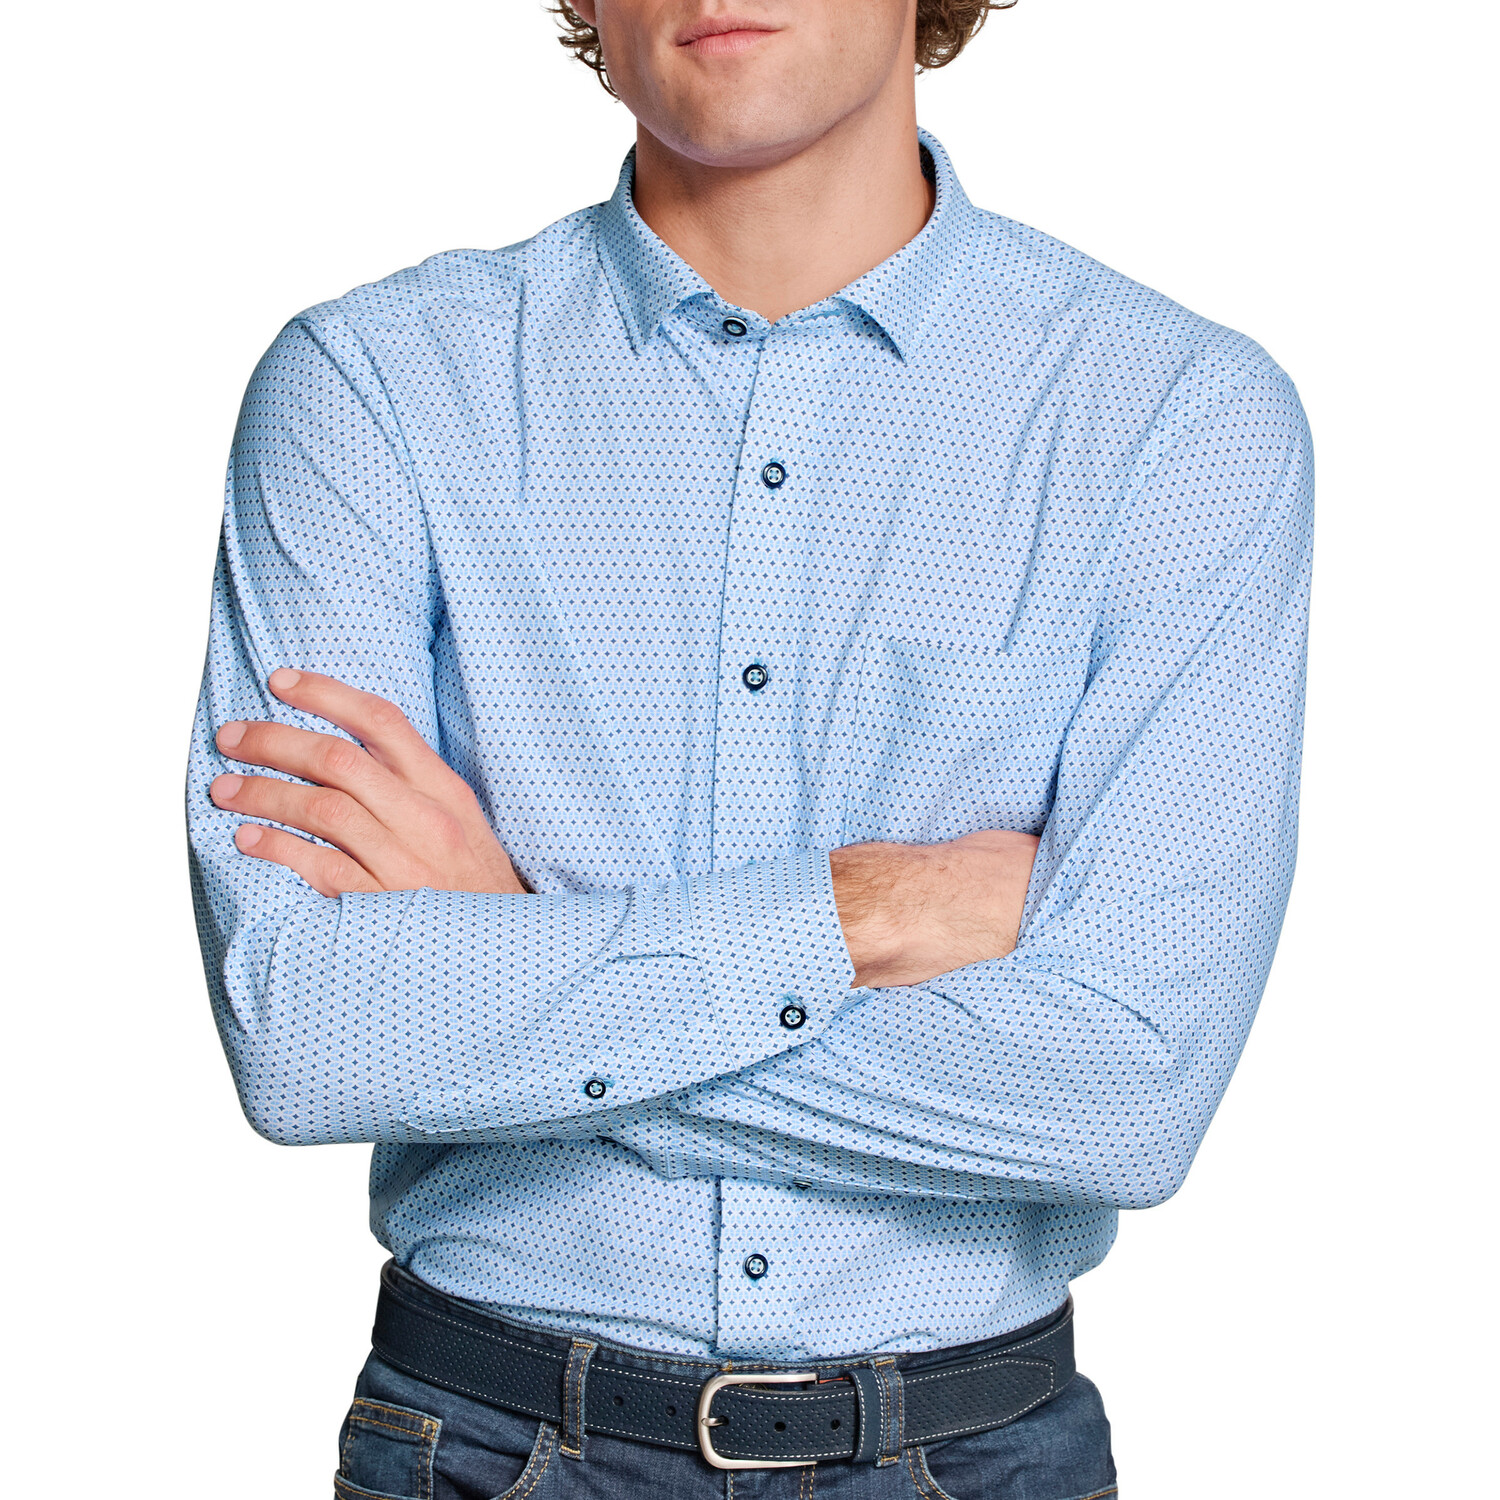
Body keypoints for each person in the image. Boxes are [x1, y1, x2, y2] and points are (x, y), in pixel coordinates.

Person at [186, 2, 1313, 1496]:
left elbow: (1127, 1096)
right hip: (489, 1441)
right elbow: (310, 1032)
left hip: (972, 1454)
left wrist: (513, 958)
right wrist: (864, 912)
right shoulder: (373, 389)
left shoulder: (1179, 419)